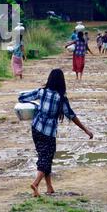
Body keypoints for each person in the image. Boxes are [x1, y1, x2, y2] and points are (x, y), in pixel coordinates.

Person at [18, 69, 93, 197]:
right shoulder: (61, 99)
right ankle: (36, 183)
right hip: (49, 133)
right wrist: (86, 130)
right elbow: (71, 115)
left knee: (44, 156)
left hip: (36, 129)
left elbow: (21, 98)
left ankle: (49, 187)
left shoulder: (41, 92)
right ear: (61, 82)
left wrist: (35, 106)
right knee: (46, 158)